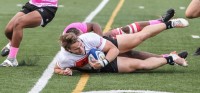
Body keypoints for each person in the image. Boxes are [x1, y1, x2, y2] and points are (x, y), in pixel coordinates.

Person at [54, 18, 189, 76]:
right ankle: (171, 58)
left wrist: (103, 61)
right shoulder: (65, 57)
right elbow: (56, 68)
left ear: (80, 39)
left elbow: (114, 49)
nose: (81, 49)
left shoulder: (88, 38)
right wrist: (65, 71)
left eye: (80, 45)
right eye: (77, 50)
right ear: (68, 50)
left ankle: (170, 24)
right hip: (101, 66)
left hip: (105, 47)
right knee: (141, 65)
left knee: (138, 38)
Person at [0, 0, 58, 67]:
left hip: (47, 7)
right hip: (32, 4)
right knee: (8, 30)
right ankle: (12, 44)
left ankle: (11, 59)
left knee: (19, 23)